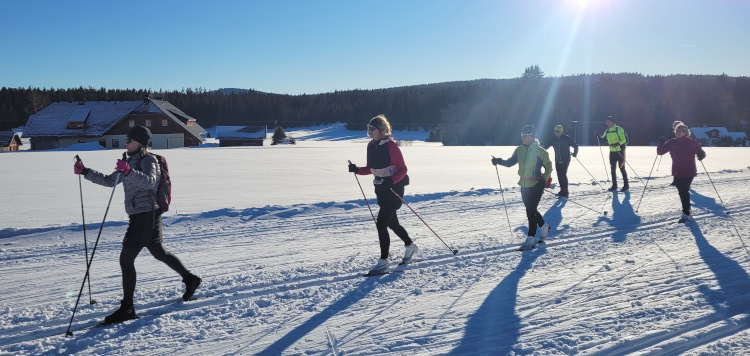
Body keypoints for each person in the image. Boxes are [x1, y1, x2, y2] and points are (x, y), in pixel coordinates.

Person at [73, 126, 201, 324]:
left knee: (126, 259)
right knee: (159, 252)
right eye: (125, 139)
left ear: (141, 142)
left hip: (145, 215)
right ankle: (190, 279)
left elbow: (150, 182)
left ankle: (127, 308)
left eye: (129, 140)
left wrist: (128, 170)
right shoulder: (129, 161)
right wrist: (86, 172)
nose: (125, 142)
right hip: (142, 215)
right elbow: (110, 181)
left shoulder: (149, 160)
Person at [348, 115, 417, 274]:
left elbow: (402, 169)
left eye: (372, 129)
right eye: (368, 128)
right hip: (380, 189)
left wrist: (391, 181)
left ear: (381, 129)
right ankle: (410, 245)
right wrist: (357, 170)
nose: (369, 131)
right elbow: (371, 168)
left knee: (381, 223)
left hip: (394, 189)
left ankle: (383, 262)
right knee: (392, 224)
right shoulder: (370, 146)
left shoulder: (391, 146)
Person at [491, 125, 553, 250]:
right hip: (524, 184)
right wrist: (498, 161)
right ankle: (544, 227)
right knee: (532, 209)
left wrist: (543, 180)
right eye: (522, 135)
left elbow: (549, 166)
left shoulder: (541, 151)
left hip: (536, 184)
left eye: (525, 135)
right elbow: (509, 163)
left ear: (532, 136)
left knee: (530, 211)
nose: (523, 137)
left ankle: (530, 239)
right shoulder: (519, 150)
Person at [657, 123, 706, 223]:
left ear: (685, 132)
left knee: (684, 191)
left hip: (689, 171)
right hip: (677, 171)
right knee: (682, 192)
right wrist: (660, 142)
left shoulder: (692, 142)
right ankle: (687, 209)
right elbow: (660, 152)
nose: (677, 132)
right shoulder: (672, 142)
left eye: (680, 130)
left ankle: (686, 213)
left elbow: (701, 152)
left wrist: (701, 156)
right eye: (676, 131)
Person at [543, 125, 578, 198]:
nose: (556, 133)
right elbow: (546, 146)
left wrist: (575, 154)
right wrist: (539, 149)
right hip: (557, 159)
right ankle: (562, 190)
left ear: (561, 131)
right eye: (555, 131)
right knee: (559, 175)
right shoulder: (553, 139)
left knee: (563, 175)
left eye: (557, 131)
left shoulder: (567, 138)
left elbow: (575, 146)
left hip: (565, 159)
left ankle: (565, 190)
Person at [597, 117, 629, 191]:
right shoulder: (607, 130)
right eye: (606, 122)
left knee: (622, 168)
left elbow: (623, 140)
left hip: (620, 151)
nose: (607, 123)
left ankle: (626, 185)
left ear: (613, 122)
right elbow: (602, 139)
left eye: (608, 121)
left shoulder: (619, 129)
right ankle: (614, 186)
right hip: (612, 152)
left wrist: (617, 144)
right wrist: (598, 135)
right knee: (612, 169)